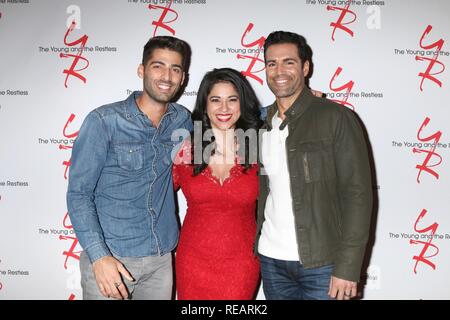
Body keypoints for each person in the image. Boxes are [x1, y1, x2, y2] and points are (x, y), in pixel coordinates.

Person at [66, 36, 193, 300]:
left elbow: (228, 124)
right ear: (142, 70)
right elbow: (79, 194)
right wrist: (99, 258)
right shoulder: (104, 121)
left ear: (183, 78)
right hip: (112, 260)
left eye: (175, 69)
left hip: (160, 259)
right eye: (158, 66)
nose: (167, 76)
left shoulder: (182, 119)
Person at [255, 31, 373, 300]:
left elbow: (358, 195)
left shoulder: (336, 118)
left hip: (324, 263)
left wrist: (348, 266)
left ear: (306, 67)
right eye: (271, 63)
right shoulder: (261, 124)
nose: (279, 71)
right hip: (271, 261)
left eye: (289, 62)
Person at [173, 68, 262, 299]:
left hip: (242, 263)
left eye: (232, 100)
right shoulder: (185, 150)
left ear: (242, 104)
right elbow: (155, 195)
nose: (224, 108)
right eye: (216, 100)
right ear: (204, 105)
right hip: (192, 261)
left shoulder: (259, 149)